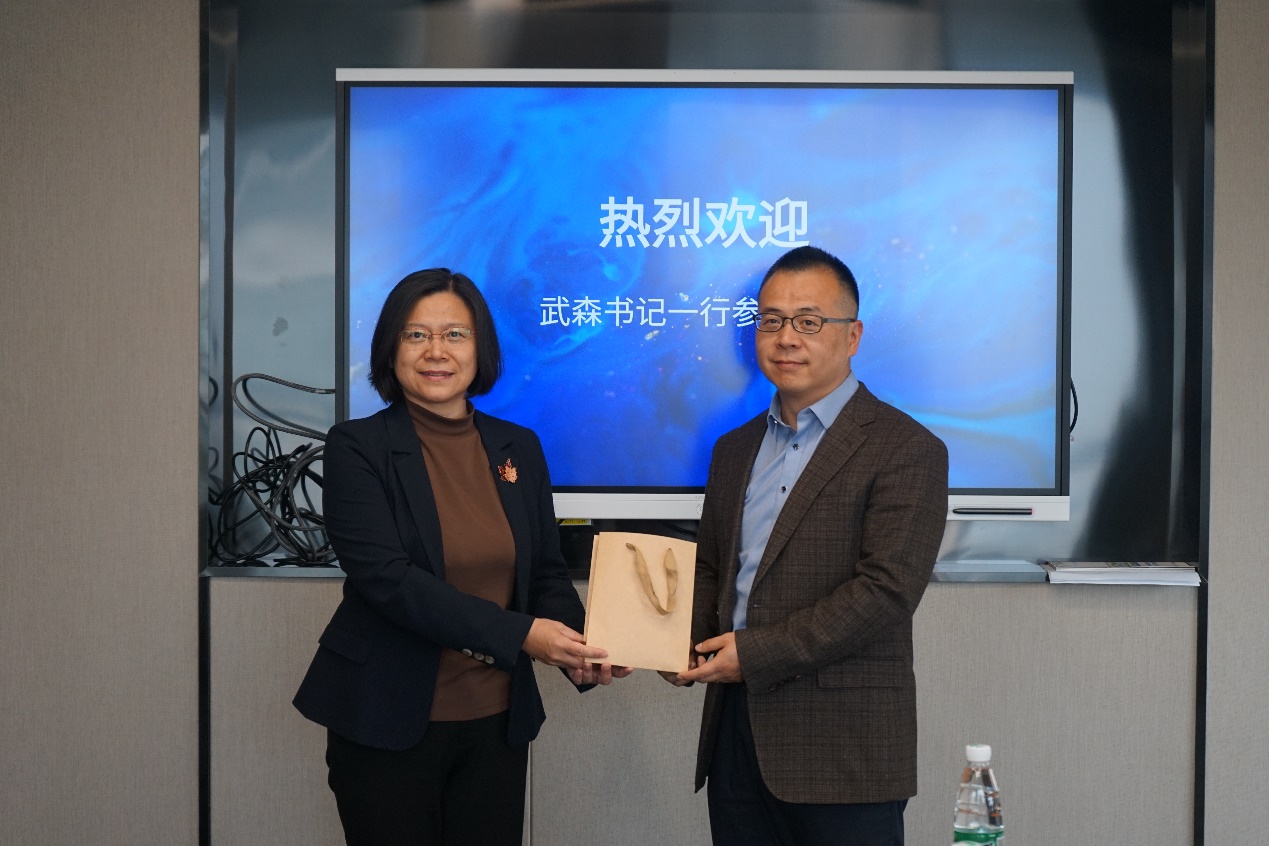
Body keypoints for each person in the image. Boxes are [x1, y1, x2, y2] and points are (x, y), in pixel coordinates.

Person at [294, 268, 629, 846]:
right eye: (416, 335)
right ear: (391, 348)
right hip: (386, 717)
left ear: (481, 348)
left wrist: (581, 647)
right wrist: (524, 636)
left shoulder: (517, 446)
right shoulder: (356, 447)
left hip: (496, 724)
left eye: (455, 334)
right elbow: (389, 581)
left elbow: (545, 572)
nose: (436, 351)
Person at [664, 246, 948, 846]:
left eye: (808, 321)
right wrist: (674, 643)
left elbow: (886, 592)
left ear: (853, 336)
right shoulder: (733, 449)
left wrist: (755, 654)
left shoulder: (907, 448)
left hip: (843, 749)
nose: (786, 337)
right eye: (771, 320)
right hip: (737, 736)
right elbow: (713, 569)